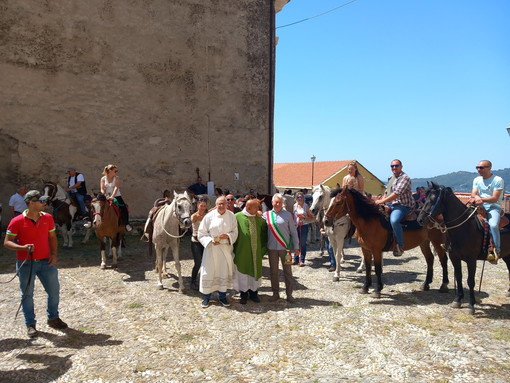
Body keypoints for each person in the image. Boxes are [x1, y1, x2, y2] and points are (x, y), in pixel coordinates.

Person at [4, 190, 68, 338]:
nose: (44, 203)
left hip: (47, 262)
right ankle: (30, 324)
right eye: (41, 201)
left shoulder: (48, 218)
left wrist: (54, 254)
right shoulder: (17, 221)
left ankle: (53, 318)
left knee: (54, 291)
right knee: (27, 295)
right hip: (26, 263)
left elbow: (52, 237)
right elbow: (7, 242)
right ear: (31, 203)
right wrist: (22, 248)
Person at [197, 196, 238, 308]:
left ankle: (222, 296)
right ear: (216, 204)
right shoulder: (209, 216)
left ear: (226, 204)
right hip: (211, 249)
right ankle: (206, 297)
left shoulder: (231, 216)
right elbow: (201, 233)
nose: (221, 206)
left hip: (225, 249)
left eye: (223, 204)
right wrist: (210, 240)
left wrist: (228, 236)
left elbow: (235, 232)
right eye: (219, 204)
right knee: (208, 272)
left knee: (222, 272)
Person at [263, 193, 300, 302]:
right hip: (272, 249)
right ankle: (275, 294)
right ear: (272, 202)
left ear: (282, 203)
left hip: (286, 249)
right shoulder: (266, 215)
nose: (278, 204)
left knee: (287, 272)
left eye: (280, 202)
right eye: (276, 202)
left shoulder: (288, 215)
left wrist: (296, 247)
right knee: (273, 272)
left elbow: (293, 232)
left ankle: (289, 294)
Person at [375, 159, 413, 257]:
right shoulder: (391, 178)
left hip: (403, 205)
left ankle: (400, 245)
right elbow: (387, 192)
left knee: (394, 220)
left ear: (401, 166)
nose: (394, 168)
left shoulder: (405, 178)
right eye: (392, 166)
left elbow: (397, 193)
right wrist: (382, 201)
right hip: (392, 204)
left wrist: (382, 201)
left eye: (396, 165)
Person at [233, 199, 268, 304]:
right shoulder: (237, 217)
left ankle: (254, 293)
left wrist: (263, 246)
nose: (258, 209)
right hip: (242, 251)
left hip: (255, 251)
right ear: (248, 207)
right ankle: (243, 294)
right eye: (256, 207)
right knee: (243, 272)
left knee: (254, 271)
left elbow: (264, 230)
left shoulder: (258, 218)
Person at [469, 160, 504, 263]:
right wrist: (476, 198)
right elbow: (473, 193)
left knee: (493, 225)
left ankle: (496, 250)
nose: (479, 169)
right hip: (479, 205)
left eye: (481, 167)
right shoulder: (477, 179)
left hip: (493, 207)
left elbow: (495, 198)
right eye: (477, 167)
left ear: (489, 168)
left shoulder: (497, 180)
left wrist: (482, 199)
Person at [100, 164, 132, 232]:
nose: (116, 172)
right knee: (97, 206)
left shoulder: (117, 178)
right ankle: (92, 221)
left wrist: (112, 196)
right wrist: (104, 194)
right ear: (109, 171)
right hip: (106, 196)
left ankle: (126, 223)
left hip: (116, 196)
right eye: (115, 171)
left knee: (123, 208)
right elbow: (102, 189)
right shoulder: (103, 178)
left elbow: (116, 188)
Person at [190, 197, 208, 289]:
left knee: (206, 262)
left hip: (205, 242)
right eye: (201, 206)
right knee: (198, 262)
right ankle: (193, 281)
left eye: (204, 206)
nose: (203, 207)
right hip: (196, 242)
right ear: (197, 206)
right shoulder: (194, 216)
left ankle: (204, 280)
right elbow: (189, 223)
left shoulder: (207, 215)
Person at [292, 191, 314, 266]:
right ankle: (295, 259)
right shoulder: (294, 206)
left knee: (302, 243)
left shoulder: (306, 206)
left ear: (303, 198)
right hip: (296, 226)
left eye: (301, 197)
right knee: (296, 243)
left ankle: (302, 260)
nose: (299, 198)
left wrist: (304, 217)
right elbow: (293, 216)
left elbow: (311, 217)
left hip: (304, 226)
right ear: (296, 198)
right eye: (298, 197)